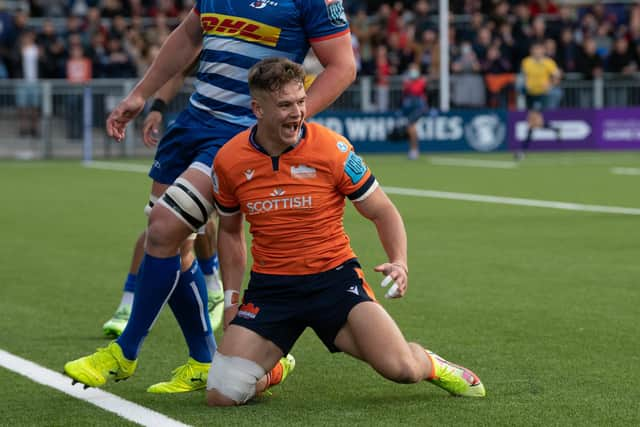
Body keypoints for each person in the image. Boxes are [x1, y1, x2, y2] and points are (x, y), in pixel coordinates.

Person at [64, 0, 356, 394]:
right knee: (171, 242)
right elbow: (188, 36)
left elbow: (342, 66)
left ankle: (124, 352)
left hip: (235, 136)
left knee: (164, 227)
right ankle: (203, 359)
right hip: (192, 123)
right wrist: (142, 94)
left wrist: (288, 121)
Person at [206, 57, 485, 406]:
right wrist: (232, 301)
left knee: (400, 369)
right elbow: (230, 234)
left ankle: (432, 364)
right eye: (285, 105)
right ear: (257, 109)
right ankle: (275, 366)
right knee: (222, 394)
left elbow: (383, 211)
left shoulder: (332, 149)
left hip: (334, 282)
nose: (296, 113)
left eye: (300, 102)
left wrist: (399, 261)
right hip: (272, 289)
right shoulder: (229, 160)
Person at [101, 59, 225, 339]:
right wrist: (157, 107)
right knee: (158, 221)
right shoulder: (208, 21)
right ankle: (128, 304)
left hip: (230, 133)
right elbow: (178, 67)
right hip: (192, 128)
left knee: (201, 219)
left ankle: (213, 285)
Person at [517, 40, 562, 160]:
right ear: (532, 51)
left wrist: (551, 84)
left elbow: (557, 75)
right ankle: (554, 129)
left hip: (542, 95)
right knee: (535, 123)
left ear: (543, 51)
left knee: (531, 122)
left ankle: (522, 151)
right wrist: (524, 84)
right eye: (535, 50)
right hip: (529, 95)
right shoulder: (526, 62)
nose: (537, 52)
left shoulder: (548, 63)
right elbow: (523, 76)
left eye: (539, 50)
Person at [401, 63, 427, 160]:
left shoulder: (420, 82)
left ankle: (414, 150)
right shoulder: (408, 82)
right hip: (411, 109)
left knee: (411, 127)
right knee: (411, 128)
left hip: (419, 108)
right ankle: (413, 150)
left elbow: (416, 91)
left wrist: (409, 84)